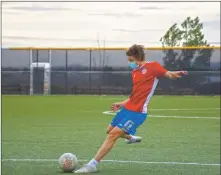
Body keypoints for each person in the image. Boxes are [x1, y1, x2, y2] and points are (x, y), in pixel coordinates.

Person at [75, 44, 188, 173]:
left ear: (138, 57)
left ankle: (92, 165)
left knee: (113, 135)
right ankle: (130, 137)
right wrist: (122, 104)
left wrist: (175, 74)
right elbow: (134, 96)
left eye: (130, 60)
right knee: (109, 130)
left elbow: (169, 74)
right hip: (128, 108)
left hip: (138, 113)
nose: (130, 63)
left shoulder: (153, 67)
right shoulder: (135, 72)